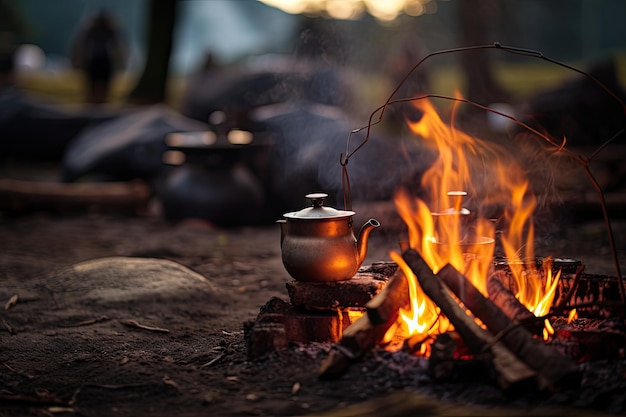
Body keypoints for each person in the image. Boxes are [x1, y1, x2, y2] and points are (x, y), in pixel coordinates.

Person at [72, 10, 125, 104]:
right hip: (102, 61)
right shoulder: (108, 30)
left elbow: (82, 46)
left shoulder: (94, 30)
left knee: (94, 88)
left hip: (97, 61)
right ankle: (98, 104)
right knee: (100, 88)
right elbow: (118, 47)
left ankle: (95, 104)